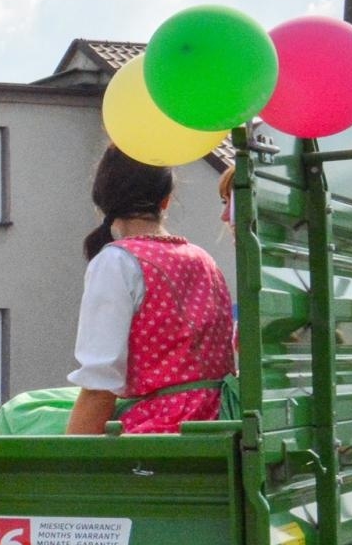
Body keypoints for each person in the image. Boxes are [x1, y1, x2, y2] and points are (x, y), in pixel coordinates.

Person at [63, 145, 236, 434]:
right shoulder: (203, 259)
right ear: (166, 201)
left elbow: (99, 387)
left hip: (156, 432)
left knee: (20, 417)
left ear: (102, 200)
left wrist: (66, 471)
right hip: (217, 425)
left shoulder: (117, 262)